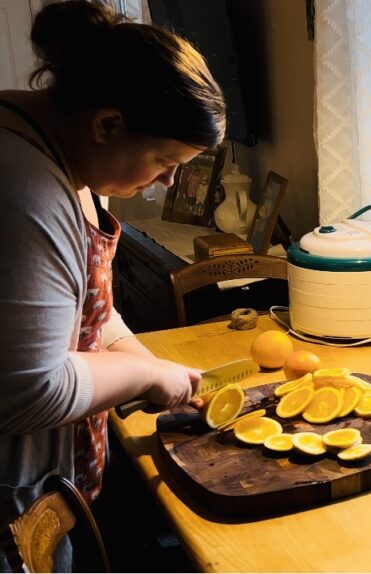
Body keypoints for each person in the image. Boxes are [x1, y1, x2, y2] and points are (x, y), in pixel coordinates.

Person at [0, 1, 226, 570]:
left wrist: (146, 361)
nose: (168, 181)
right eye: (164, 161)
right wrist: (146, 374)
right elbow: (29, 388)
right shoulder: (25, 188)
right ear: (108, 124)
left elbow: (88, 307)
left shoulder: (74, 156)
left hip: (45, 478)